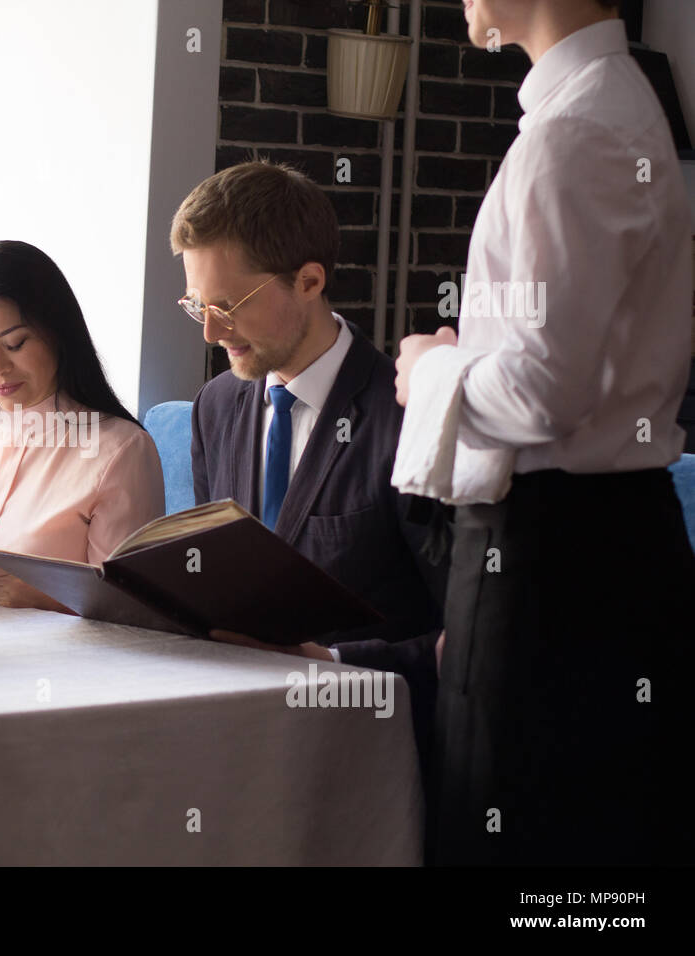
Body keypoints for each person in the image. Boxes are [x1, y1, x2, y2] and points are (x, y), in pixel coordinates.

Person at [393, 0, 693, 865]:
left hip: (557, 559)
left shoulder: (577, 131)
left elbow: (544, 389)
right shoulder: (603, 104)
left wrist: (428, 373)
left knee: (523, 853)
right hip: (597, 545)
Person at [172, 161, 449, 755]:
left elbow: (468, 639)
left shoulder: (408, 416)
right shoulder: (215, 406)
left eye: (229, 304)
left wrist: (328, 663)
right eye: (198, 306)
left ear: (309, 281)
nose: (212, 332)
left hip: (364, 744)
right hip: (229, 725)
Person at [0, 240, 165, 611]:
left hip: (54, 662)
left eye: (16, 343)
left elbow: (134, 609)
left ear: (57, 332)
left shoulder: (120, 450)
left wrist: (40, 595)